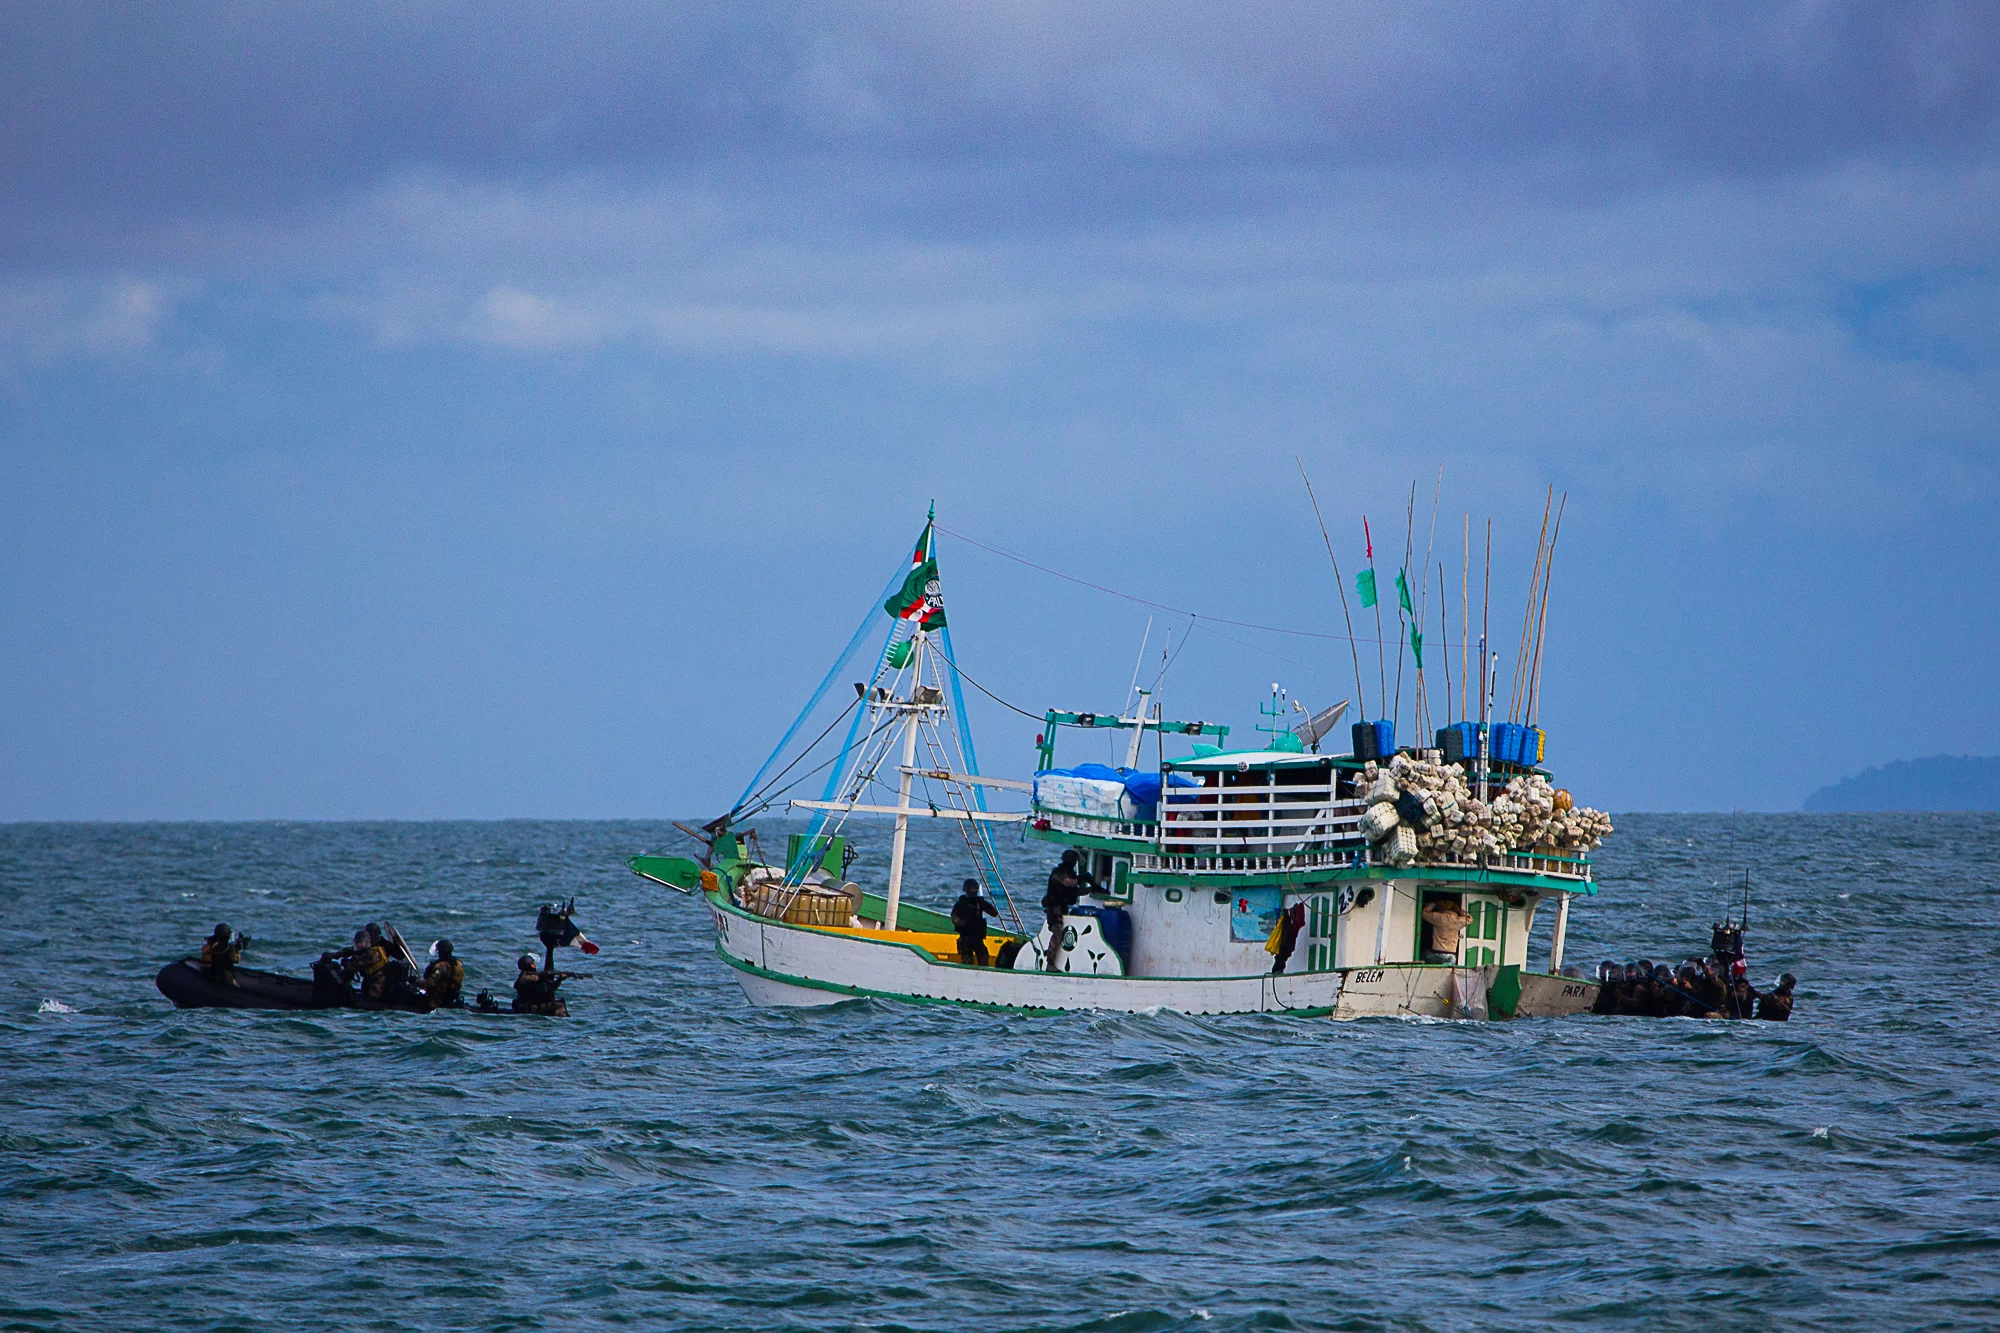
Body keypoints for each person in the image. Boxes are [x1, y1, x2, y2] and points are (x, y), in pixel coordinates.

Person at [1041, 851, 1096, 973]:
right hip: (1054, 907)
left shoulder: (1069, 874)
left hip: (1061, 907)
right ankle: (1050, 963)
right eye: (1074, 861)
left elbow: (1075, 891)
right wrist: (1083, 878)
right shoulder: (1058, 873)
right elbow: (1068, 882)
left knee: (1060, 933)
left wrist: (1092, 889)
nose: (1075, 864)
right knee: (1057, 933)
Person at [949, 879, 998, 966]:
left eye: (975, 889)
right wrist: (966, 922)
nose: (974, 891)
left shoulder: (979, 903)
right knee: (967, 961)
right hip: (966, 938)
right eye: (972, 889)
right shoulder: (961, 904)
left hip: (977, 938)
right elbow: (954, 919)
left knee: (983, 958)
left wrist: (984, 904)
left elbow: (994, 913)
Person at [1420, 897, 1470, 964]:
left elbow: (1424, 913)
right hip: (1450, 956)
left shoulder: (1438, 917)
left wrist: (1434, 904)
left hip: (1435, 954)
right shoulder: (1458, 920)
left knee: (1424, 954)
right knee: (1452, 961)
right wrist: (1459, 910)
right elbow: (1469, 919)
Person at [343, 928, 389, 1000]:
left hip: (378, 980)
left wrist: (347, 963)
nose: (359, 945)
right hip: (369, 979)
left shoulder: (372, 954)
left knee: (373, 997)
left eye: (361, 942)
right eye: (357, 943)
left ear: (367, 942)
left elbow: (357, 965)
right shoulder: (363, 952)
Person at [424, 939, 465, 1008]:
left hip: (437, 1001)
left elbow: (430, 982)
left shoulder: (440, 966)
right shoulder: (458, 964)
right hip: (451, 999)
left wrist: (416, 982)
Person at [1268, 901, 1306, 975]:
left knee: (1281, 957)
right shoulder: (1291, 923)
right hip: (1286, 943)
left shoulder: (1293, 923)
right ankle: (1277, 972)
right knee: (1280, 957)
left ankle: (1277, 972)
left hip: (1287, 943)